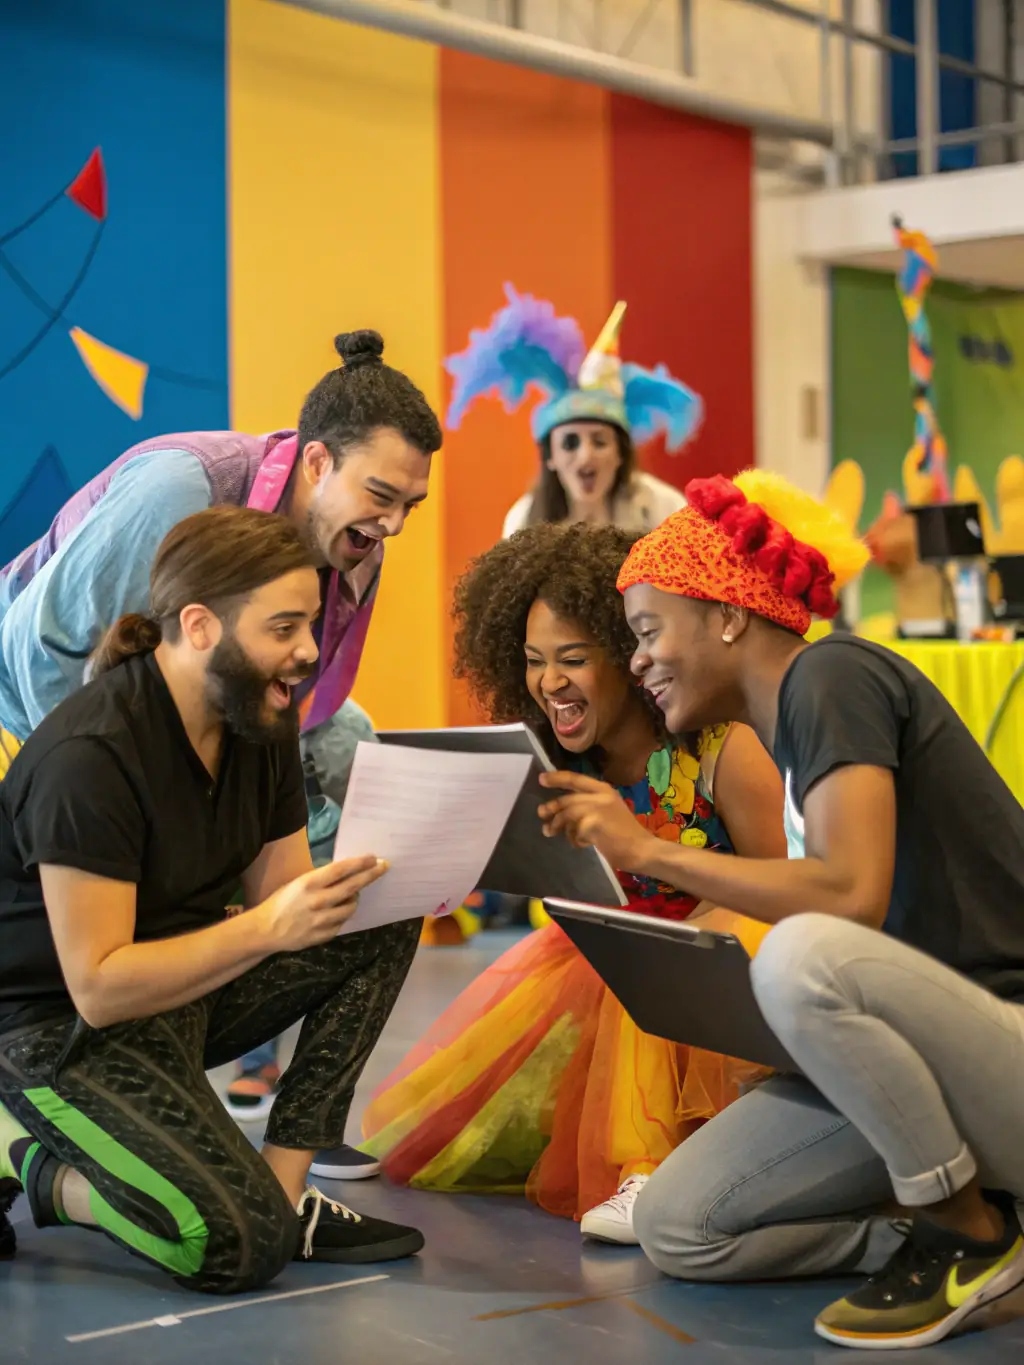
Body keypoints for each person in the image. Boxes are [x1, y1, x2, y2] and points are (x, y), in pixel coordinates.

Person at [536, 469, 1024, 1350]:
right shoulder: (785, 733)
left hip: (1003, 1040)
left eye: (647, 630)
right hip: (933, 1061)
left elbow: (849, 894)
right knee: (679, 1224)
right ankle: (962, 1228)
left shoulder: (830, 673)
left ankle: (968, 1235)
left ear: (726, 616)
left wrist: (648, 851)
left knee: (802, 957)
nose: (636, 659)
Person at [0, 328, 442, 1181]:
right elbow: (41, 653)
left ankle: (281, 1116)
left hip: (179, 733)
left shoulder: (356, 546)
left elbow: (299, 706)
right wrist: (131, 816)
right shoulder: (183, 488)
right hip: (35, 718)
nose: (392, 523)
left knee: (357, 777)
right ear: (318, 462)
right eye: (381, 494)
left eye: (409, 506)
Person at [0, 507, 425, 1292]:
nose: (309, 649)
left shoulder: (261, 717)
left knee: (381, 919)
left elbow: (287, 901)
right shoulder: (91, 755)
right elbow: (99, 988)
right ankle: (31, 1165)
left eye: (311, 623)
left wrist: (401, 870)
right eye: (284, 627)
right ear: (199, 626)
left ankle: (287, 1191)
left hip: (177, 992)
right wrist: (263, 928)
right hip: (54, 1032)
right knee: (235, 1246)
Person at [361, 523, 787, 1243]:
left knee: (646, 961)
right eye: (533, 662)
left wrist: (683, 913)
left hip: (729, 954)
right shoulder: (559, 763)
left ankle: (646, 1168)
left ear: (631, 657)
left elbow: (779, 888)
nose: (549, 682)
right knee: (464, 1134)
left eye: (572, 659)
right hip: (615, 958)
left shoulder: (724, 747)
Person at [444, 285, 699, 538]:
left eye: (600, 442)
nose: (586, 456)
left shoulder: (664, 510)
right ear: (550, 457)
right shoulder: (523, 520)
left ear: (620, 453)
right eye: (569, 443)